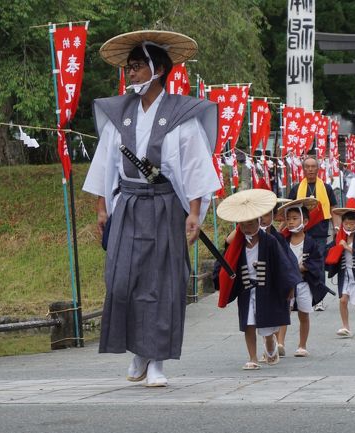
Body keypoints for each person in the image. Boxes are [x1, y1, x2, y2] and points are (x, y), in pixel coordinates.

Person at [82, 30, 221, 387]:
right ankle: (138, 352)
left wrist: (194, 213)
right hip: (127, 204)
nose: (130, 73)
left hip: (164, 206)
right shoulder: (120, 114)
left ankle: (157, 360)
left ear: (158, 70)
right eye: (128, 68)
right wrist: (102, 207)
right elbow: (105, 163)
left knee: (162, 284)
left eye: (137, 67)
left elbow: (195, 168)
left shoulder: (181, 115)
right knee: (121, 280)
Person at [214, 189, 302, 370]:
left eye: (251, 223)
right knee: (248, 324)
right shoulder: (237, 243)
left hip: (267, 289)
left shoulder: (270, 241)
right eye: (243, 224)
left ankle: (270, 345)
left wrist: (289, 286)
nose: (247, 227)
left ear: (258, 221)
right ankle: (252, 357)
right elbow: (226, 264)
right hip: (247, 289)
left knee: (267, 328)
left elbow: (283, 264)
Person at [276, 199, 329, 357]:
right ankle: (280, 343)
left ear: (305, 221)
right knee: (284, 312)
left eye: (294, 218)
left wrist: (303, 267)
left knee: (303, 314)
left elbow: (317, 262)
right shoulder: (284, 241)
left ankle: (302, 345)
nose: (291, 222)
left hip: (304, 282)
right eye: (288, 219)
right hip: (287, 283)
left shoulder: (311, 243)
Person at [288, 156, 338, 311]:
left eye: (313, 166)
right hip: (300, 232)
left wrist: (337, 228)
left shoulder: (326, 188)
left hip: (320, 232)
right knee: (298, 262)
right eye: (307, 167)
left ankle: (319, 297)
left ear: (318, 169)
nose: (310, 169)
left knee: (319, 263)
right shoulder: (296, 188)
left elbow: (333, 209)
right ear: (303, 169)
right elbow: (289, 210)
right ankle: (296, 293)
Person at [326, 208, 355, 338]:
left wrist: (347, 247)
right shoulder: (340, 237)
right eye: (346, 223)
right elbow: (329, 251)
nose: (349, 226)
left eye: (352, 223)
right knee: (342, 300)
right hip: (344, 273)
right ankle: (345, 326)